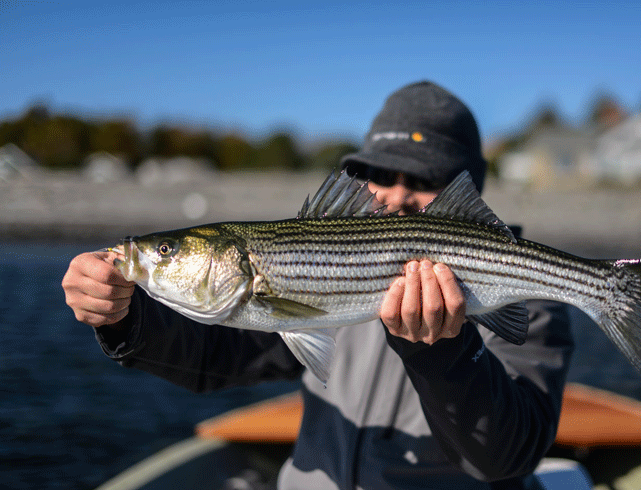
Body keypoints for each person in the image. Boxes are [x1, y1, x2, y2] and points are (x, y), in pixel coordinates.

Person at [62, 81, 574, 489]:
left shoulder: (529, 296)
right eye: (381, 173)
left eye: (425, 179)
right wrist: (127, 319)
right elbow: (214, 356)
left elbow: (508, 459)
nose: (398, 194)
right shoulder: (314, 267)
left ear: (470, 194)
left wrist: (448, 354)